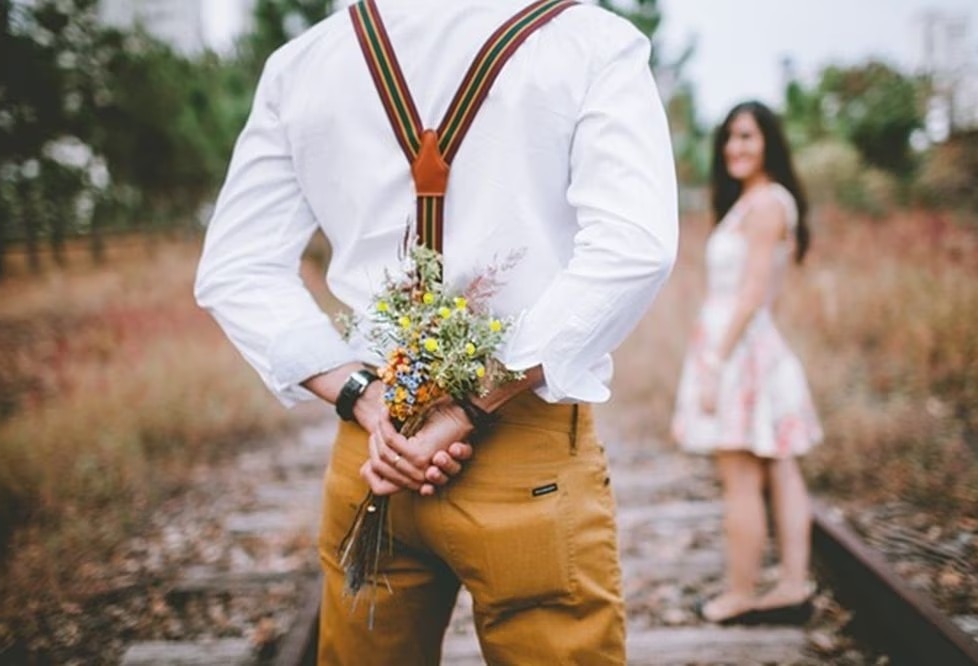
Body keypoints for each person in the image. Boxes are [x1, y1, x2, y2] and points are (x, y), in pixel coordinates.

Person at [195, 0, 678, 663]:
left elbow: (235, 267)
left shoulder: (303, 64)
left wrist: (363, 396)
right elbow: (633, 249)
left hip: (374, 452)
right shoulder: (589, 42)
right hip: (523, 446)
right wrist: (469, 405)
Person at [670, 100, 823, 625]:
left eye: (747, 137)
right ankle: (791, 585)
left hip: (737, 350)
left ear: (768, 144)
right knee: (780, 467)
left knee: (740, 476)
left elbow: (754, 291)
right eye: (730, 138)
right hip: (751, 344)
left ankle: (741, 594)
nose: (735, 148)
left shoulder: (764, 205)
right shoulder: (761, 201)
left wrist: (715, 361)